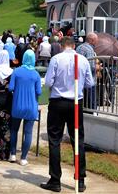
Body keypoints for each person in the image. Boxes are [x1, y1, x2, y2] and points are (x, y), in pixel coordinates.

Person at [41, 37, 94, 193]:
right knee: (78, 140)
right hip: (75, 102)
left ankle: (55, 179)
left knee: (54, 140)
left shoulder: (57, 59)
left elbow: (49, 82)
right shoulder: (83, 60)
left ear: (63, 46)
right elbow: (90, 83)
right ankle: (81, 179)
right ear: (74, 46)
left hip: (58, 102)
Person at [9, 49, 42, 165]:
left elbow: (10, 88)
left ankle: (12, 154)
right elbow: (39, 91)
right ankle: (23, 158)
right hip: (31, 106)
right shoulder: (36, 74)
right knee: (28, 133)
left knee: (14, 130)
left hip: (17, 105)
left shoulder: (16, 72)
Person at [76, 33, 98, 110]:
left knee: (82, 104)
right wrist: (98, 67)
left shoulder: (79, 47)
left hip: (79, 80)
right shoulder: (89, 49)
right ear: (92, 40)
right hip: (89, 81)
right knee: (91, 104)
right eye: (96, 40)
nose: (97, 42)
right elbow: (91, 67)